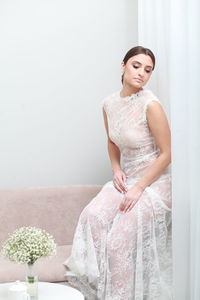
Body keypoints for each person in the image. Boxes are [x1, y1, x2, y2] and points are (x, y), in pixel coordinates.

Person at [64, 46, 172, 300]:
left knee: (117, 244)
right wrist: (116, 169)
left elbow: (167, 154)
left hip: (155, 182)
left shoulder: (151, 105)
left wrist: (139, 188)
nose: (142, 74)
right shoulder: (108, 104)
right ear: (122, 66)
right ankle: (107, 292)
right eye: (136, 66)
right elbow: (112, 141)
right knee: (92, 216)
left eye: (148, 70)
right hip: (128, 178)